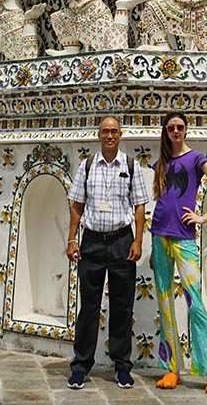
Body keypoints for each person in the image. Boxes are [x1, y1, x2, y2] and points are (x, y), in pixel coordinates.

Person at [150, 111, 207, 395]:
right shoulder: (161, 162)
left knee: (194, 302)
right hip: (159, 235)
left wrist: (203, 217)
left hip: (184, 238)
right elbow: (160, 197)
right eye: (171, 127)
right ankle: (171, 367)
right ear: (166, 130)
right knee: (164, 302)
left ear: (186, 130)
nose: (176, 131)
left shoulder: (196, 158)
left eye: (180, 127)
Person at [66, 115, 148, 390]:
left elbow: (139, 207)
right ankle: (80, 366)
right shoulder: (87, 166)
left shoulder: (131, 166)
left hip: (121, 241)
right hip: (91, 242)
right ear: (98, 135)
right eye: (105, 131)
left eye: (114, 131)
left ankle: (122, 366)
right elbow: (77, 205)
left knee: (122, 306)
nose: (110, 136)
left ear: (121, 135)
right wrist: (72, 240)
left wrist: (137, 241)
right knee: (89, 306)